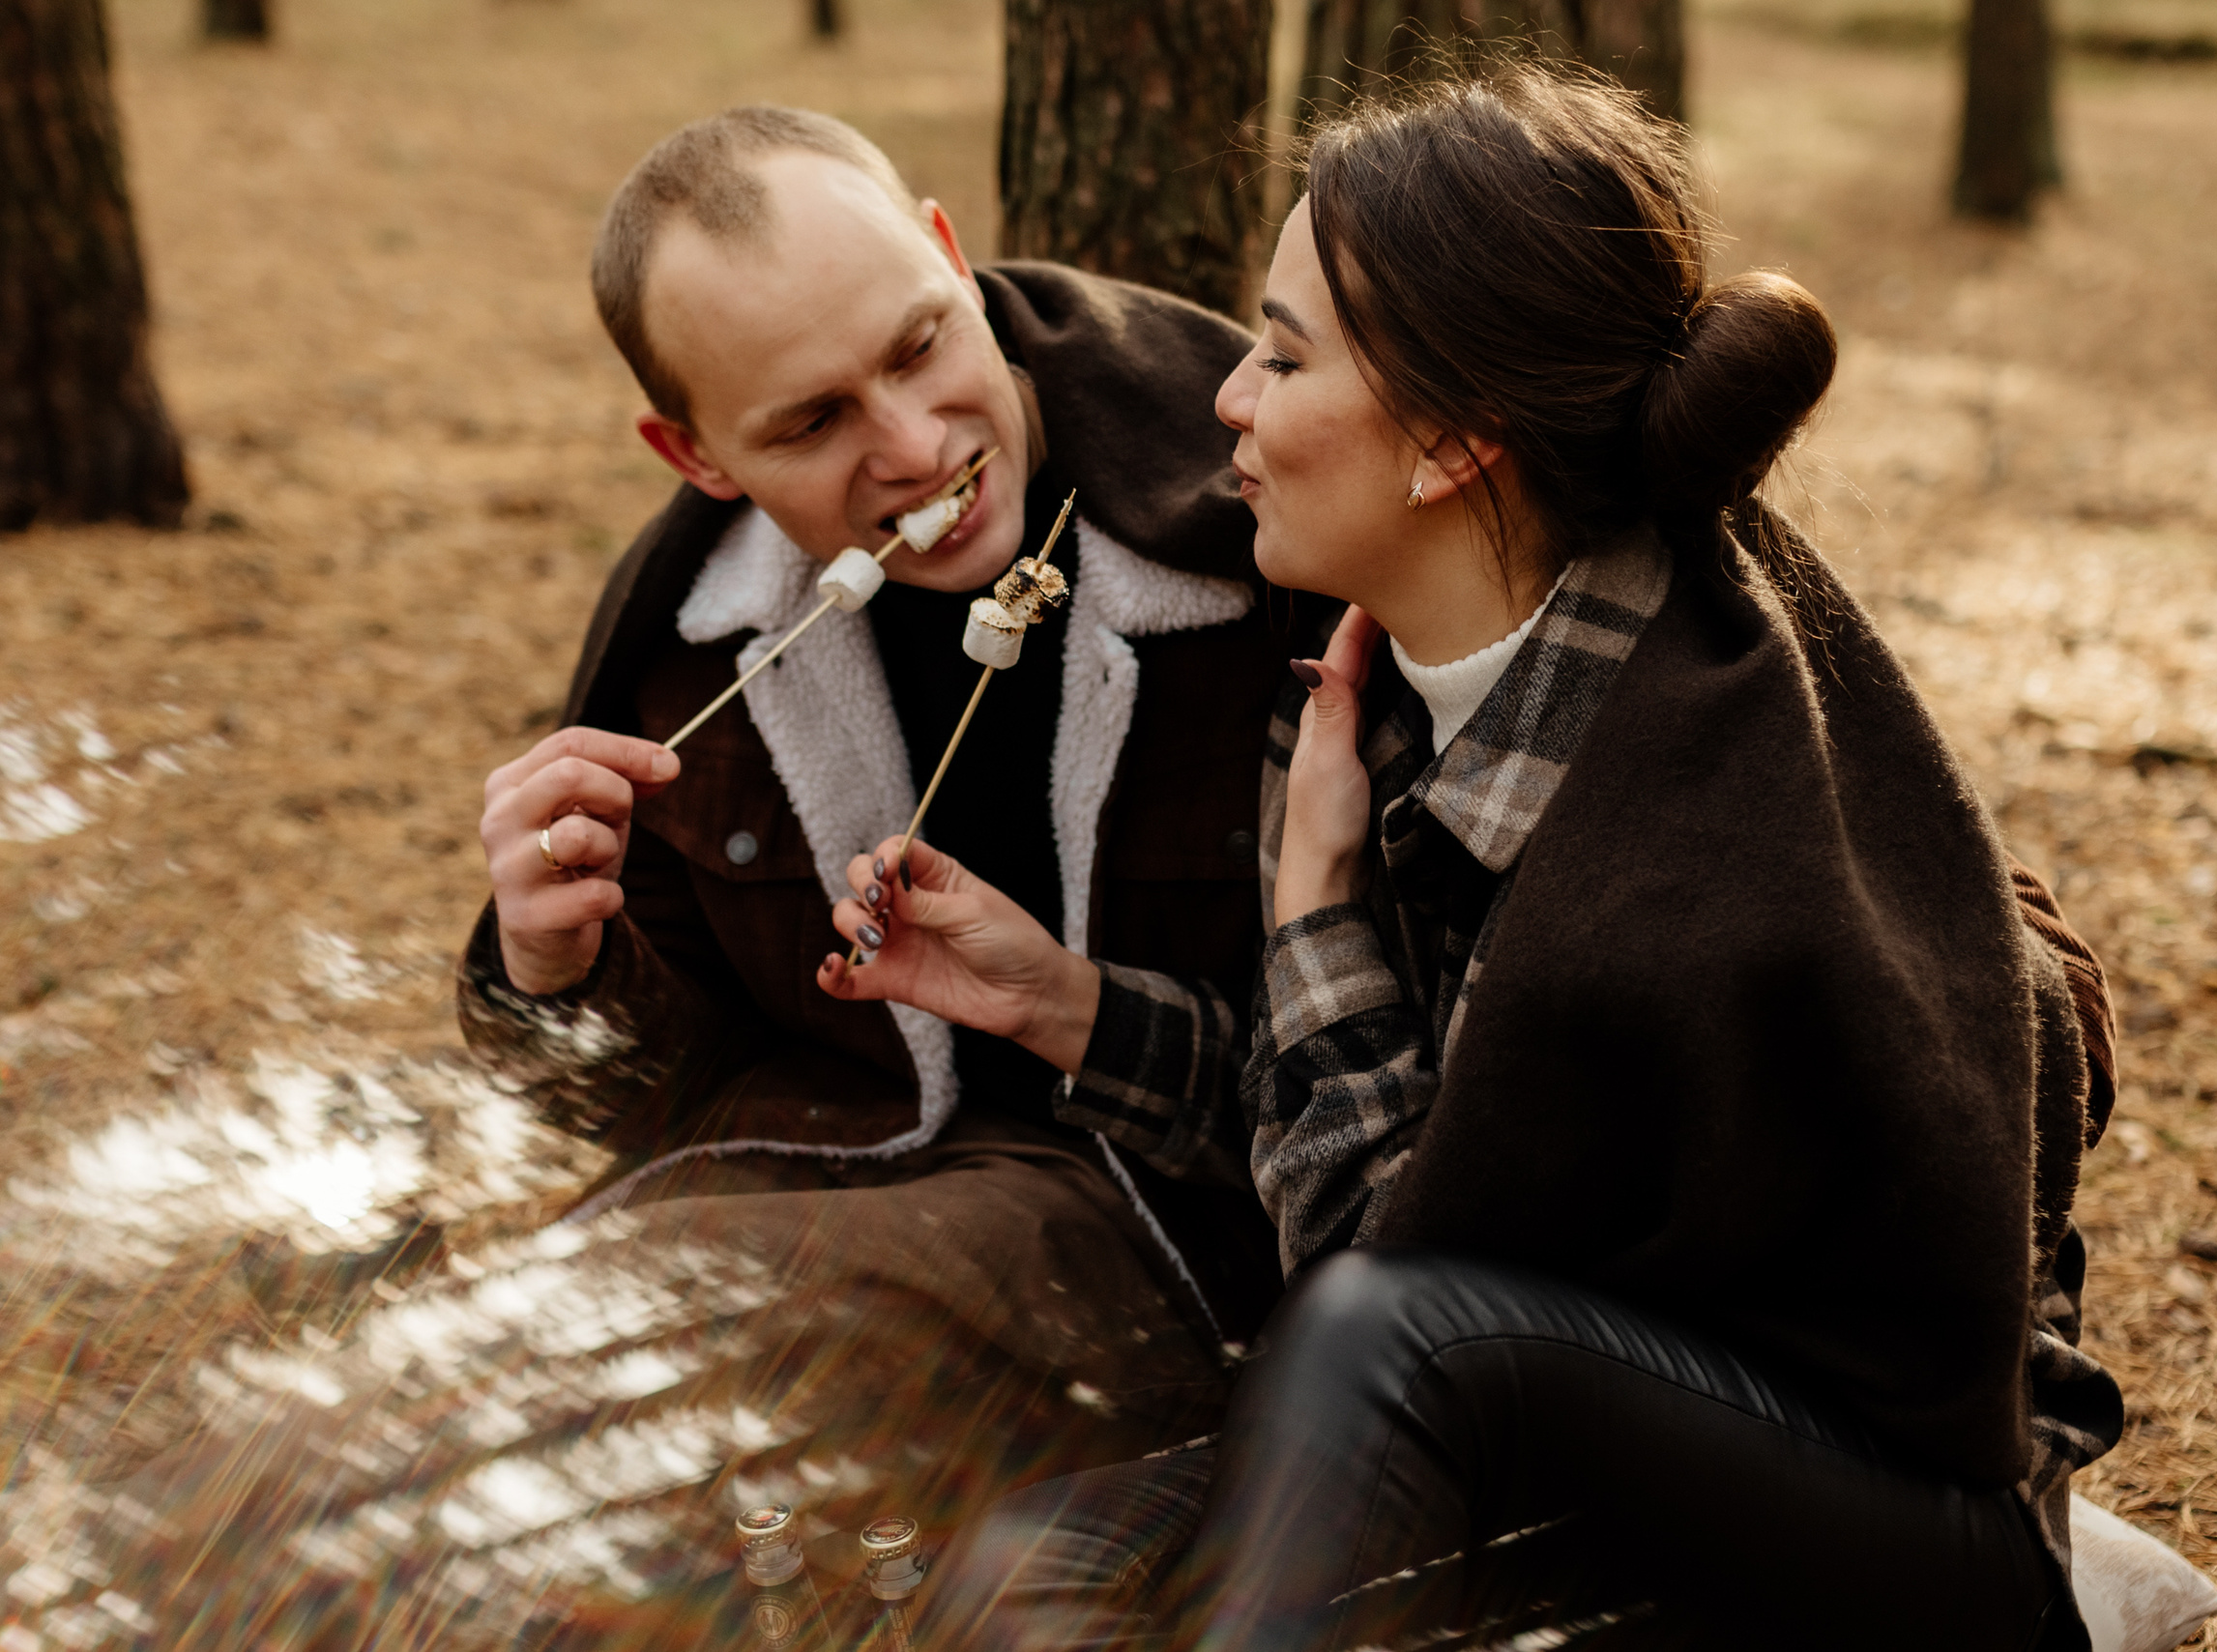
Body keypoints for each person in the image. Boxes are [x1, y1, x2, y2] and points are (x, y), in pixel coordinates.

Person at [823, 61, 2125, 1652]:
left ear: (1452, 444)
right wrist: (1061, 1002)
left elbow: (1382, 1282)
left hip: (1906, 1538)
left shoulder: (1681, 812)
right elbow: (1405, 1141)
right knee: (1039, 1560)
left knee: (1388, 1339)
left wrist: (1311, 907)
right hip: (1553, 1414)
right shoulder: (1395, 683)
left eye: (1285, 359)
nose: (1229, 395)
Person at [456, 105, 1314, 1585]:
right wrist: (552, 965)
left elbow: (1383, 1099)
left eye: (921, 345)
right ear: (693, 452)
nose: (915, 449)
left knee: (635, 1375)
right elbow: (626, 1101)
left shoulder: (1263, 535)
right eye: (809, 422)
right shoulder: (688, 633)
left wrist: (1068, 1006)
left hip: (1154, 1227)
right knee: (480, 1357)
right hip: (811, 1190)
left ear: (949, 253)